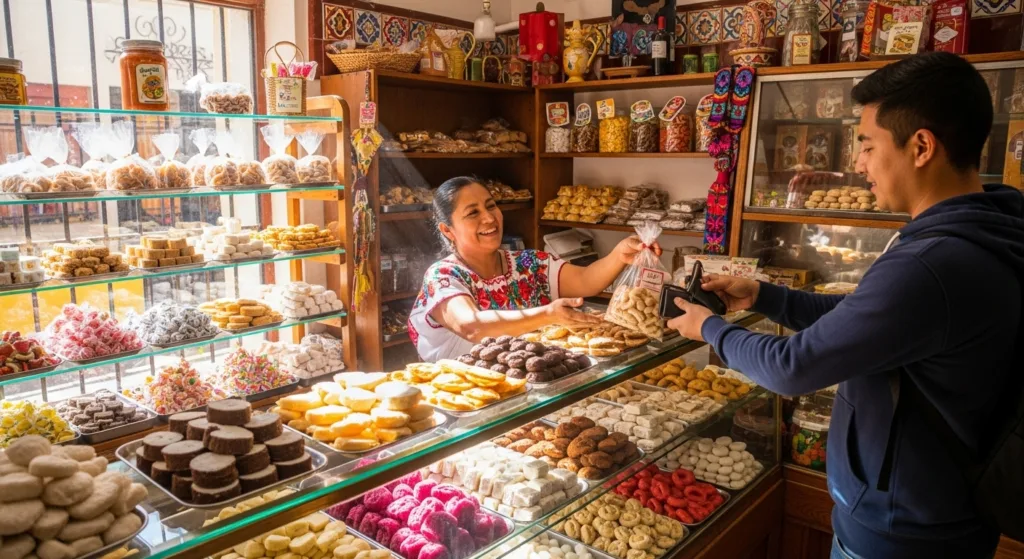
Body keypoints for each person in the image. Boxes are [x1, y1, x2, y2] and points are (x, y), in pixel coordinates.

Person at [668, 52, 1024, 559]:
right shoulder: (979, 233)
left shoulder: (933, 264)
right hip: (937, 516)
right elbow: (864, 319)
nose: (858, 164)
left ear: (922, 147)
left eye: (868, 145)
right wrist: (767, 296)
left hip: (902, 535)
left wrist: (709, 328)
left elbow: (791, 368)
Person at [409, 176, 661, 362]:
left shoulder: (528, 263)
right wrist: (548, 314)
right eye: (473, 213)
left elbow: (585, 280)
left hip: (529, 389)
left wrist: (619, 255)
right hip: (465, 399)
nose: (489, 218)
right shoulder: (443, 277)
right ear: (447, 230)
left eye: (491, 206)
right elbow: (471, 326)